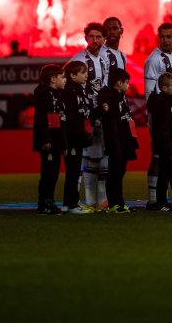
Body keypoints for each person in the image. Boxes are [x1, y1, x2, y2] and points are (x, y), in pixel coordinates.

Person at [69, 22, 109, 209]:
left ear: (103, 39)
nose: (95, 40)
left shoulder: (104, 60)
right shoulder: (78, 60)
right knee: (85, 157)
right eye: (91, 36)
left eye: (98, 36)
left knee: (101, 157)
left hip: (101, 114)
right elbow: (69, 89)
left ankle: (99, 200)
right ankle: (84, 200)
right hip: (85, 116)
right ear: (86, 38)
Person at [143, 21, 172, 207]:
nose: (165, 40)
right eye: (162, 36)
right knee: (158, 155)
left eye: (169, 36)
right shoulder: (154, 60)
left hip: (171, 114)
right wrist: (156, 118)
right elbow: (150, 95)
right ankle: (153, 199)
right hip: (158, 117)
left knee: (167, 156)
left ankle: (161, 199)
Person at [96, 67, 138, 213]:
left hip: (124, 140)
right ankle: (113, 204)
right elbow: (109, 120)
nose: (128, 85)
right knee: (115, 173)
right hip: (115, 141)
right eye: (127, 82)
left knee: (120, 172)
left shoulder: (120, 96)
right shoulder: (110, 97)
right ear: (119, 83)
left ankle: (119, 203)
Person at [32, 64, 67, 215]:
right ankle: (44, 203)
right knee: (48, 172)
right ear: (53, 79)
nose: (64, 80)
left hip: (56, 139)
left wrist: (63, 142)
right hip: (49, 140)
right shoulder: (45, 94)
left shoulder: (55, 94)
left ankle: (49, 201)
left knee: (53, 173)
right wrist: (45, 139)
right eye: (62, 77)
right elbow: (42, 118)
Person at [147, 72, 172, 212]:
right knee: (166, 176)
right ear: (164, 88)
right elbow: (162, 129)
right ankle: (163, 203)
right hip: (166, 147)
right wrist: (169, 148)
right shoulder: (161, 104)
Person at [61, 61, 94, 213]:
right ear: (72, 76)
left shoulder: (79, 90)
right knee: (73, 171)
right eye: (82, 72)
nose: (86, 75)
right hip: (72, 137)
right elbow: (71, 117)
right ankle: (71, 204)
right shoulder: (69, 91)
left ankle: (70, 203)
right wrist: (82, 134)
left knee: (75, 171)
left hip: (77, 136)